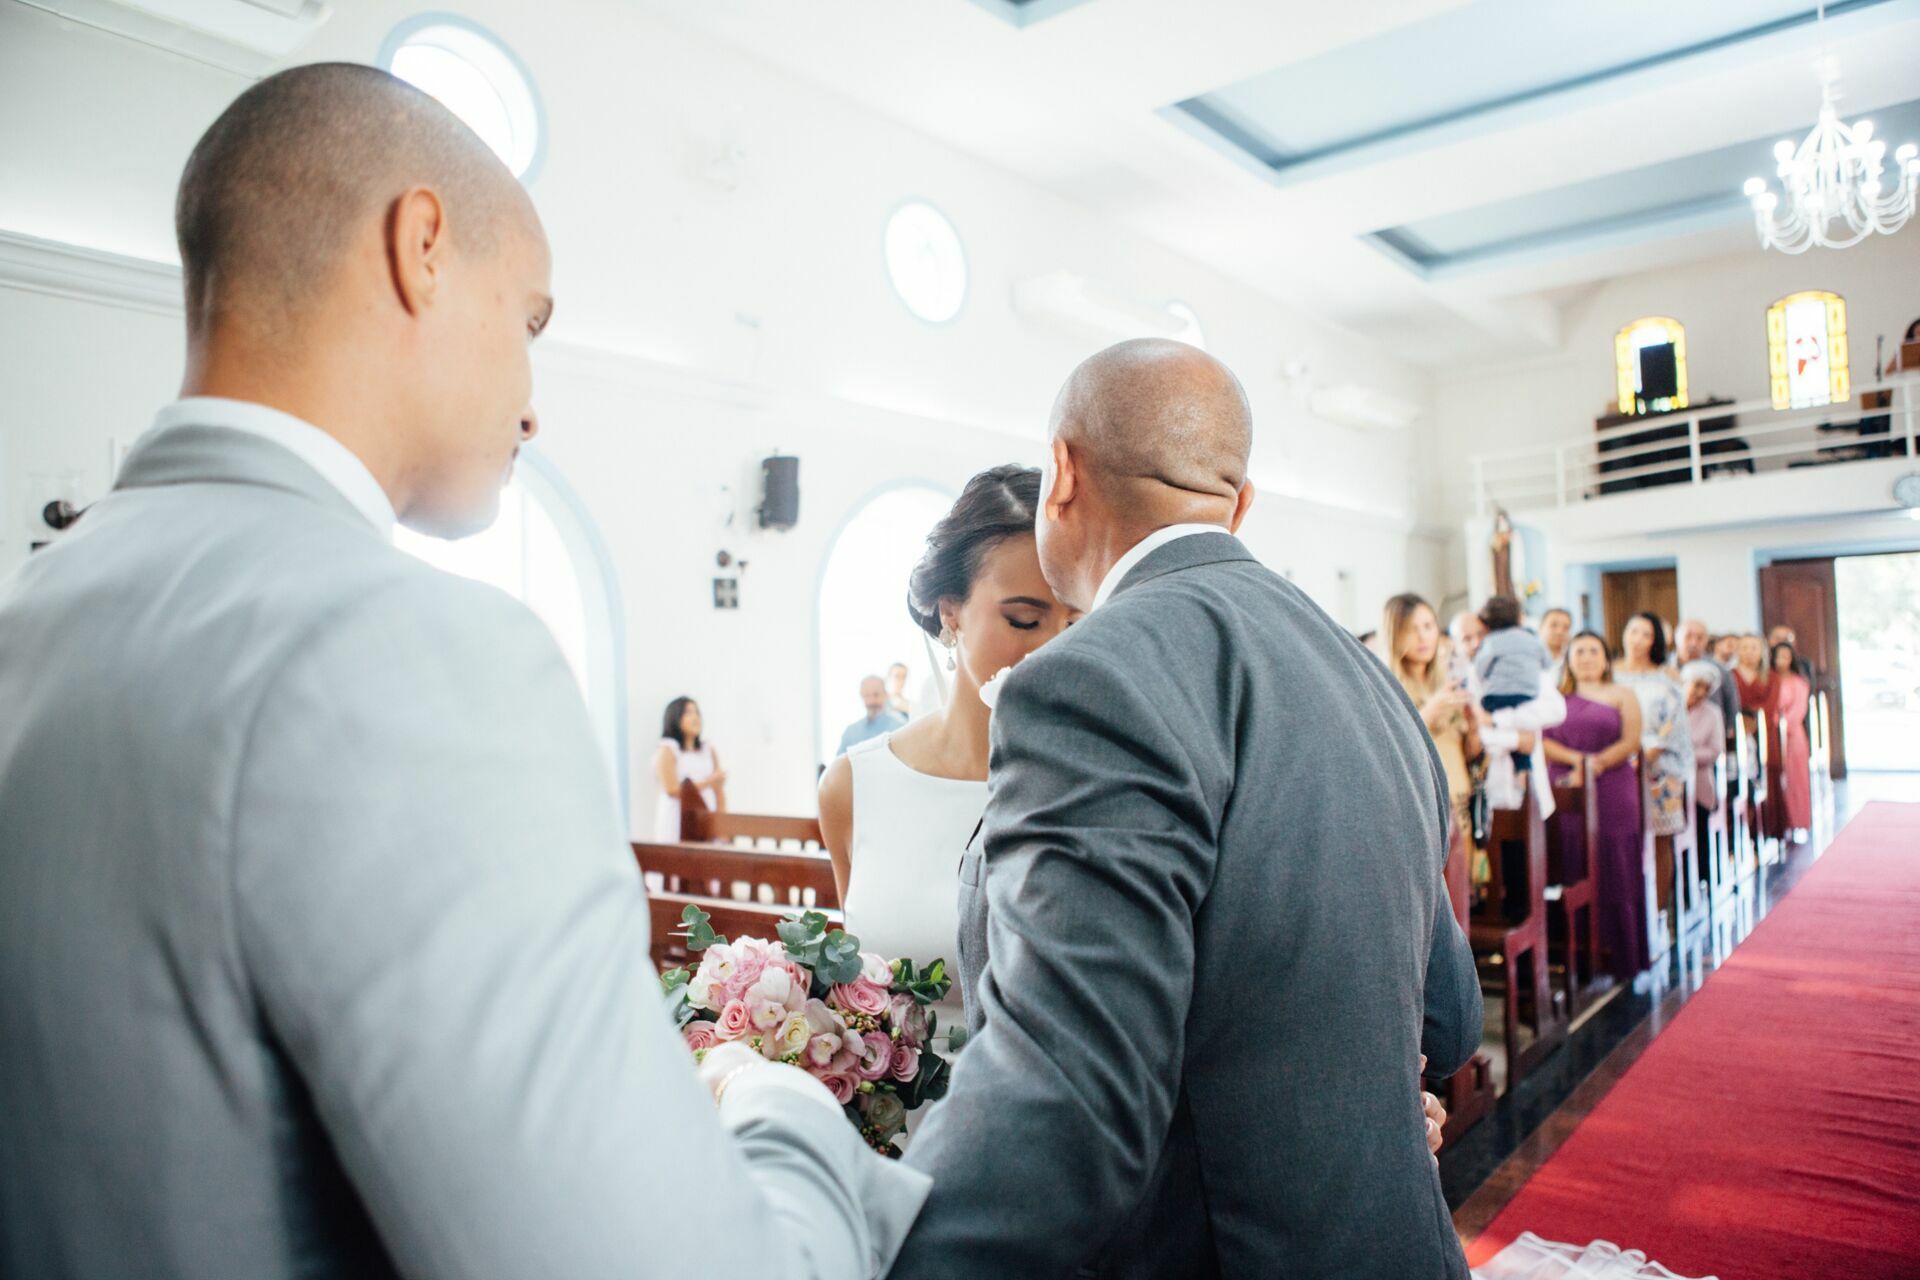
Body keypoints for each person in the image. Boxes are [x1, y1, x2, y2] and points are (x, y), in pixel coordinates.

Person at [0, 65, 926, 1279]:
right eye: (529, 321)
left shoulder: (39, 607)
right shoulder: (405, 651)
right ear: (422, 245)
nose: (532, 405)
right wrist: (786, 1116)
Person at [892, 339, 1480, 1279]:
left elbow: (1066, 1097)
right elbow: (1449, 1021)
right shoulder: (1369, 677)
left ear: (1062, 474)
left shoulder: (1088, 680)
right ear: (1238, 503)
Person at [818, 465, 1070, 1061]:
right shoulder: (855, 786)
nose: (1057, 650)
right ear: (950, 612)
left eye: (1078, 623)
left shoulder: (1100, 784)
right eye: (1025, 621)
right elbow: (857, 994)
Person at [1542, 633, 1647, 984]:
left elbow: (1631, 740)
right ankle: (1573, 954)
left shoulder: (1622, 695)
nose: (1586, 657)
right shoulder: (1554, 697)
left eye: (1594, 651)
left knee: (1613, 862)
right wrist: (1578, 763)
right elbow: (1541, 740)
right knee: (1570, 860)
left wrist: (1595, 766)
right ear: (1568, 658)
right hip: (1565, 787)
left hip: (1612, 786)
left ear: (1605, 658)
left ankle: (1618, 953)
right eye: (1579, 651)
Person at [1384, 593, 1480, 829]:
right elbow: (1392, 745)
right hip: (1421, 805)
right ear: (1394, 634)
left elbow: (1467, 753)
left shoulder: (1448, 681)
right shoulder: (1386, 687)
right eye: (1410, 628)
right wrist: (1431, 710)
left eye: (1428, 626)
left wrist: (1475, 725)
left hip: (1460, 798)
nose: (1422, 637)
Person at [1615, 613, 1694, 841]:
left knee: (1660, 837)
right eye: (1633, 632)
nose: (1637, 639)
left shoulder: (1665, 677)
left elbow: (1674, 721)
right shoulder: (1610, 674)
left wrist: (1648, 753)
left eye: (1646, 635)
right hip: (1616, 759)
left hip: (1657, 763)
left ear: (1655, 640)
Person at [1474, 595, 1548, 776]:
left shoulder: (1493, 641)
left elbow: (1481, 667)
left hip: (1498, 695)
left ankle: (1519, 763)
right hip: (1528, 693)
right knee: (1521, 727)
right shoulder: (1532, 638)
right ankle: (1523, 765)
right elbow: (1546, 661)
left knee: (1488, 717)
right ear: (1518, 617)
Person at [654, 695, 726, 841]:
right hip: (676, 819)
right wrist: (708, 782)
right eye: (688, 712)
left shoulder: (708, 750)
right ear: (675, 717)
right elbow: (671, 789)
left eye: (697, 712)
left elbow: (719, 790)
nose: (695, 718)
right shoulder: (668, 749)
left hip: (706, 816)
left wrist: (722, 826)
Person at [1681, 660, 1727, 867]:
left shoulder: (1712, 713)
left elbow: (1716, 749)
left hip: (1700, 780)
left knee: (1699, 830)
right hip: (1671, 782)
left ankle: (1702, 874)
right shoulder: (1673, 708)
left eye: (1705, 688)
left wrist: (1686, 755)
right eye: (1696, 685)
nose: (1699, 692)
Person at [1769, 642, 1814, 839]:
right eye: (1778, 656)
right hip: (1772, 733)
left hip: (1793, 735)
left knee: (1797, 779)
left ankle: (1799, 820)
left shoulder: (1799, 682)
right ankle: (1781, 822)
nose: (1782, 661)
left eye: (1786, 657)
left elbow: (1798, 710)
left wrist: (1782, 723)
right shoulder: (1771, 681)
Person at [1674, 617, 1738, 740]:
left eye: (1699, 638)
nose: (1693, 643)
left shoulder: (1720, 671)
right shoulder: (1664, 669)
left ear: (1706, 641)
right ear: (1678, 638)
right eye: (1688, 636)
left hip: (1710, 742)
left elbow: (1732, 710)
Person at [835, 674, 906, 758]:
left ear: (885, 695)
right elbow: (838, 767)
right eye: (867, 695)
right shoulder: (850, 732)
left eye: (876, 695)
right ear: (861, 696)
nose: (871, 701)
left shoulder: (900, 729)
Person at [1540, 606, 1573, 677]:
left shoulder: (1573, 661)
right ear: (1541, 627)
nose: (1559, 632)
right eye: (1553, 625)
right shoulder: (1530, 658)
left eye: (1566, 627)